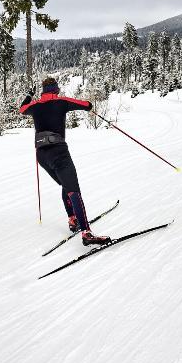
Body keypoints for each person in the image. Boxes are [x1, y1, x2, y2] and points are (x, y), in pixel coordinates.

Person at [20, 77, 111, 246]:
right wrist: (90, 107)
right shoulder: (61, 101)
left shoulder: (35, 105)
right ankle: (86, 232)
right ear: (56, 89)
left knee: (65, 185)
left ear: (42, 90)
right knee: (73, 189)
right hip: (58, 152)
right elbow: (86, 104)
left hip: (41, 155)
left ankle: (73, 220)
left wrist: (29, 95)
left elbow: (22, 109)